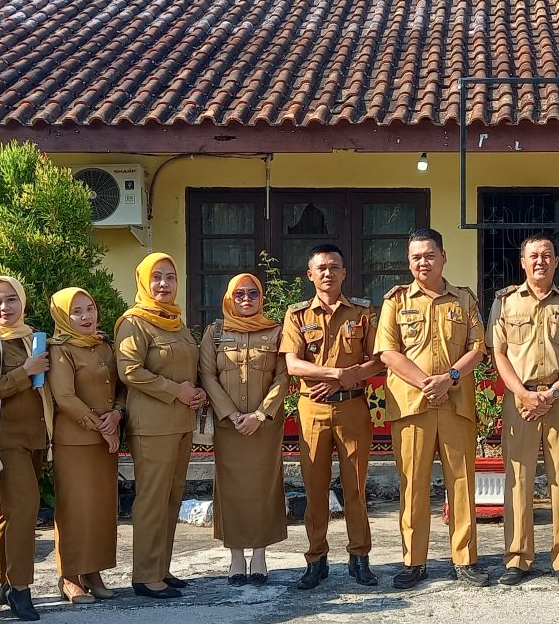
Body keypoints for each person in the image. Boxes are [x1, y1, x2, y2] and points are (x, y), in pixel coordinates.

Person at [374, 228, 488, 590]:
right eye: (416, 257)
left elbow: (478, 348)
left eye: (429, 255)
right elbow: (388, 352)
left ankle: (465, 559)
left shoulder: (464, 300)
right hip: (412, 406)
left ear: (443, 257)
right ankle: (414, 561)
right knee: (413, 485)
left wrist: (449, 378)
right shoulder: (395, 301)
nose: (423, 262)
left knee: (462, 483)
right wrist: (428, 382)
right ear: (409, 262)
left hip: (456, 405)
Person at [487, 233, 559, 590]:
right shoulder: (505, 302)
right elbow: (498, 352)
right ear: (523, 262)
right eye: (533, 256)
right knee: (518, 478)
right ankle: (517, 557)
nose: (540, 261)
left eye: (547, 255)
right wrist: (522, 394)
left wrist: (555, 391)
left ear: (556, 262)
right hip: (520, 399)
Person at [280, 244, 384, 589]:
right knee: (315, 488)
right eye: (321, 268)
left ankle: (359, 557)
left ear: (344, 273)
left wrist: (344, 379)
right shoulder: (297, 315)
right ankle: (316, 559)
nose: (328, 273)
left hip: (352, 406)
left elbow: (378, 360)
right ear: (310, 274)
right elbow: (293, 364)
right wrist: (336, 374)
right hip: (313, 408)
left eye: (334, 267)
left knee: (356, 486)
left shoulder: (363, 312)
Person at [116, 253, 205, 599]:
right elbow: (129, 370)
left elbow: (189, 368)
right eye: (156, 277)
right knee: (152, 498)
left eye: (170, 277)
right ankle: (145, 575)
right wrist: (175, 391)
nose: (164, 284)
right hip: (152, 424)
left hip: (181, 422)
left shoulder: (176, 322)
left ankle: (161, 568)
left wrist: (197, 392)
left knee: (172, 496)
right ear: (143, 281)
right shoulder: (134, 322)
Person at [0, 275, 51, 621]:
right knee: (26, 508)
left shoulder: (31, 337)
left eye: (11, 299)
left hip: (34, 437)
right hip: (5, 441)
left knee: (9, 509)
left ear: (23, 301)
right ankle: (19, 587)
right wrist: (25, 371)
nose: (4, 307)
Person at [200, 273, 290, 585]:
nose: (247, 299)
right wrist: (232, 414)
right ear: (229, 297)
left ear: (261, 297)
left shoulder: (276, 331)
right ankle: (236, 556)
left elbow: (283, 377)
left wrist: (260, 415)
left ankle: (260, 554)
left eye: (253, 293)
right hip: (229, 427)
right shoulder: (215, 332)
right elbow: (207, 375)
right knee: (232, 490)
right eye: (239, 294)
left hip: (264, 427)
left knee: (264, 487)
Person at [47, 288, 125, 604]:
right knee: (75, 508)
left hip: (106, 440)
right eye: (76, 311)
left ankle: (94, 572)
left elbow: (121, 386)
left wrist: (117, 414)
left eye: (89, 308)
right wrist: (101, 427)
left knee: (101, 509)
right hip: (75, 441)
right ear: (62, 316)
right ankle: (69, 576)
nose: (85, 316)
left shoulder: (104, 345)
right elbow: (65, 397)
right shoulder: (60, 349)